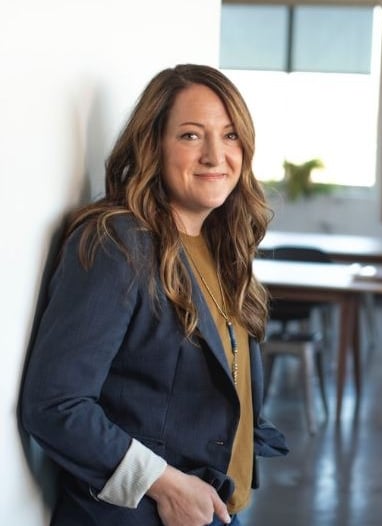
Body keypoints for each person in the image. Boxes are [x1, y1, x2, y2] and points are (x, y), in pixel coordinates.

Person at [21, 64, 288, 526]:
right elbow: (55, 403)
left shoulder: (221, 245)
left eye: (230, 136)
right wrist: (165, 483)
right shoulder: (118, 242)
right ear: (154, 145)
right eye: (190, 136)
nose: (214, 155)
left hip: (214, 507)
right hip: (149, 512)